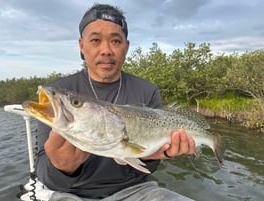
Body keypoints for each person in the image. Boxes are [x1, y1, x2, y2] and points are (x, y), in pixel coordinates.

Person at [35, 3, 196, 201]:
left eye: (116, 41)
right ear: (81, 45)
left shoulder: (148, 91)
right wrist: (62, 168)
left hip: (136, 192)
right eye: (95, 40)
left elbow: (146, 170)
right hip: (70, 193)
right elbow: (43, 173)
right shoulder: (60, 93)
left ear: (126, 47)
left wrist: (149, 156)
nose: (106, 50)